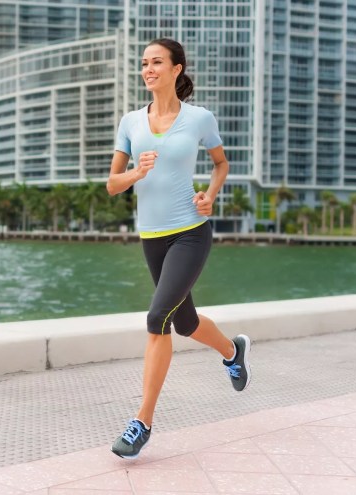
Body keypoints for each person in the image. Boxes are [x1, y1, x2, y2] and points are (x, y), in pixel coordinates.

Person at [106, 38, 251, 460]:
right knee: (183, 321)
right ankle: (232, 351)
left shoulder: (199, 118)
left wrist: (211, 193)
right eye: (144, 64)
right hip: (151, 237)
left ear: (176, 69)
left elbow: (220, 163)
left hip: (191, 231)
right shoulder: (131, 122)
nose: (148, 69)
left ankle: (142, 422)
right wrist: (136, 171)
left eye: (156, 63)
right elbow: (112, 184)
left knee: (157, 318)